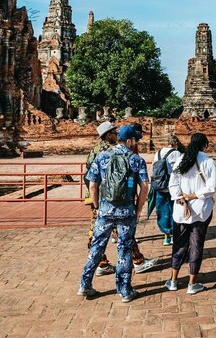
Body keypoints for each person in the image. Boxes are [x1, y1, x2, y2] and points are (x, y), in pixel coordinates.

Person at [78, 125, 149, 302]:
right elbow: (145, 187)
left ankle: (85, 285)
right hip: (126, 212)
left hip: (105, 210)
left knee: (97, 246)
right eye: (135, 140)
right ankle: (124, 291)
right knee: (124, 249)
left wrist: (97, 206)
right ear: (129, 141)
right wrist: (138, 208)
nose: (136, 143)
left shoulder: (102, 157)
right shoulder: (135, 159)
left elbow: (92, 185)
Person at [86, 121, 158, 275]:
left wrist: (96, 202)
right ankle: (135, 261)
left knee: (97, 236)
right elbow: (142, 184)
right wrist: (138, 205)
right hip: (116, 201)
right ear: (108, 135)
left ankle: (98, 266)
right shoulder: (118, 151)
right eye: (113, 131)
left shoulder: (96, 150)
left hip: (100, 200)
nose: (116, 133)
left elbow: (91, 178)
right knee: (124, 235)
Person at [165, 132, 216, 295]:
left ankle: (173, 280)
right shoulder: (209, 162)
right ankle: (192, 283)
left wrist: (183, 200)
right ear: (205, 145)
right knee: (196, 245)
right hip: (201, 209)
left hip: (181, 209)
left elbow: (172, 185)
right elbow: (211, 188)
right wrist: (192, 196)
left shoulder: (180, 160)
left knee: (179, 244)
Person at [151, 133, 183, 245]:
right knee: (174, 209)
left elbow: (153, 169)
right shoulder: (177, 153)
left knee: (162, 210)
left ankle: (166, 236)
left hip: (159, 185)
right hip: (172, 186)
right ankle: (174, 235)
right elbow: (179, 170)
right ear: (175, 143)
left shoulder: (158, 153)